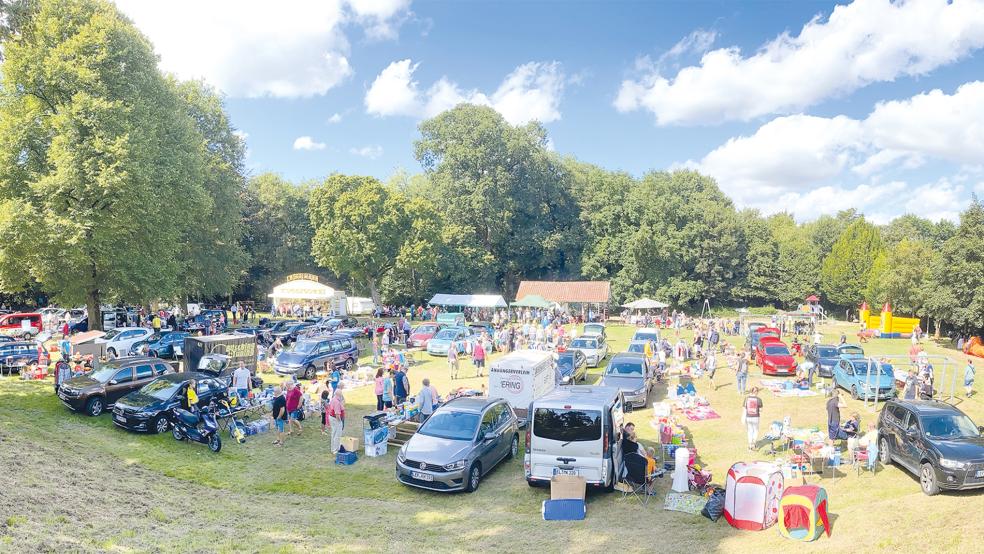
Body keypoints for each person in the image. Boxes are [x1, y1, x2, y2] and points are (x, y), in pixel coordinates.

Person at [326, 387, 345, 454]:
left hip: (332, 417)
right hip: (336, 419)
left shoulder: (334, 399)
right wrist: (340, 421)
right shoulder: (336, 402)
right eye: (341, 395)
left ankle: (333, 448)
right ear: (338, 395)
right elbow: (337, 414)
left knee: (334, 433)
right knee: (337, 434)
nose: (342, 396)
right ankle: (335, 449)